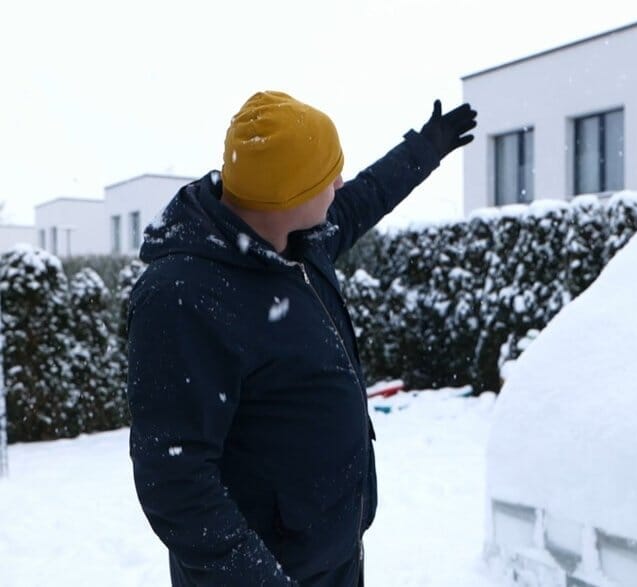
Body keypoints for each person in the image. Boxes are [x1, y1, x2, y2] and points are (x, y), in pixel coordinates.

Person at [127, 91, 477, 586]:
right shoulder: (183, 296)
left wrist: (425, 148)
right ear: (288, 194)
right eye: (326, 174)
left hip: (328, 555)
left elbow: (363, 197)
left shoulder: (296, 242)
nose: (338, 182)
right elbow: (174, 477)